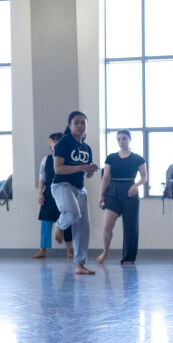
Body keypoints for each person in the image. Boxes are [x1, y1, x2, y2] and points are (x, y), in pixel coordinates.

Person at [51, 111, 99, 275]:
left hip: (80, 188)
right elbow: (58, 169)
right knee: (73, 212)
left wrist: (91, 170)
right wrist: (80, 167)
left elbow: (86, 174)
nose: (80, 126)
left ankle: (80, 265)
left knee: (83, 227)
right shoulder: (63, 143)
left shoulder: (86, 148)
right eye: (76, 123)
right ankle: (59, 225)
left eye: (82, 123)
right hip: (62, 185)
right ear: (69, 126)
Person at [97, 130, 147, 265]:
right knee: (107, 226)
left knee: (130, 227)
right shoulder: (111, 157)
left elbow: (144, 177)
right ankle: (105, 251)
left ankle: (129, 257)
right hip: (113, 191)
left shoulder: (138, 158)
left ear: (129, 139)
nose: (121, 141)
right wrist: (101, 196)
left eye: (124, 138)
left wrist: (135, 185)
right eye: (118, 139)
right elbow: (105, 177)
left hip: (130, 191)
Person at [32, 132, 67, 259]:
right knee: (45, 222)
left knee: (67, 221)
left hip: (64, 192)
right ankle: (42, 250)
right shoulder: (46, 159)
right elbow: (42, 178)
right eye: (55, 141)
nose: (56, 144)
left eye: (59, 141)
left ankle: (70, 250)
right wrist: (40, 193)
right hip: (49, 193)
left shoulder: (67, 158)